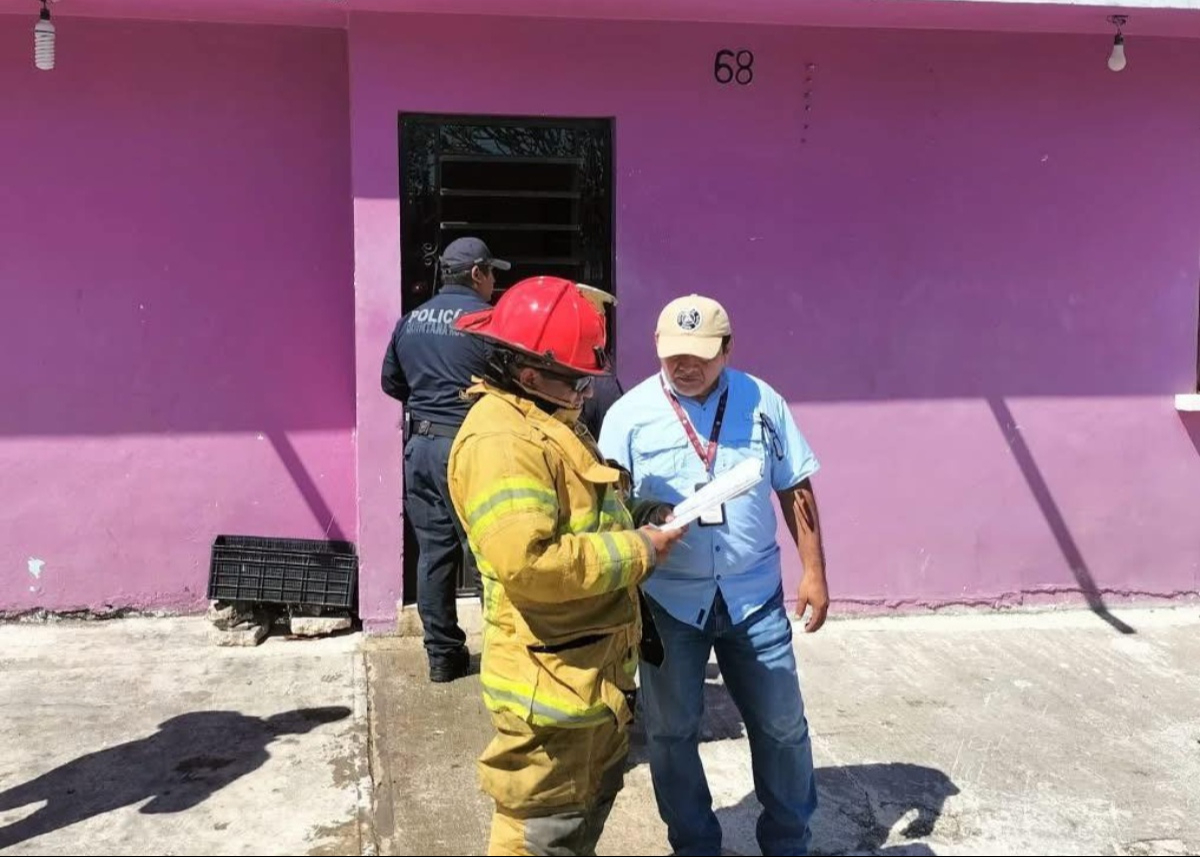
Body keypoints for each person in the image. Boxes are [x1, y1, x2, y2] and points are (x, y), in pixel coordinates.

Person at [445, 275, 687, 856]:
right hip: (549, 692)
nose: (585, 390)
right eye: (577, 378)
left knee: (577, 825)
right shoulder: (502, 442)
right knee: (543, 834)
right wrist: (641, 550)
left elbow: (577, 515)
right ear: (530, 374)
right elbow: (531, 563)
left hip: (587, 681)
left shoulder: (543, 420)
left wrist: (637, 514)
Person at [597, 294, 830, 857]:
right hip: (669, 603)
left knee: (782, 728)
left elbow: (794, 484)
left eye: (700, 354)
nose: (686, 365)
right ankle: (695, 844)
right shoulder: (628, 416)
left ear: (726, 349)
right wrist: (644, 518)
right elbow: (607, 507)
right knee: (672, 735)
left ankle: (788, 842)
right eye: (674, 353)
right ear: (657, 347)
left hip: (754, 596)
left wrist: (814, 572)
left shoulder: (760, 401)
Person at [381, 236, 510, 683]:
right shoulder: (490, 322)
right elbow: (515, 387)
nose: (495, 282)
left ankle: (443, 657)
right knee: (486, 553)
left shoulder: (410, 321)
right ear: (476, 273)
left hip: (421, 446)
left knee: (434, 555)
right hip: (470, 449)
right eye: (492, 273)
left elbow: (392, 384)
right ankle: (501, 655)